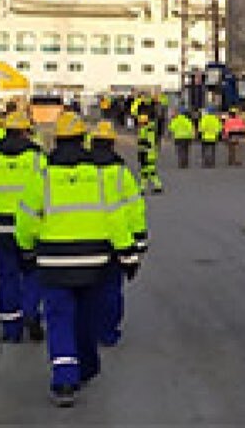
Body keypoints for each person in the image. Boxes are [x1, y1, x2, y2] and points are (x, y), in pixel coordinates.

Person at [15, 112, 138, 408]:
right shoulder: (98, 178)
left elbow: (26, 220)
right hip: (95, 263)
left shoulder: (42, 178)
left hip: (54, 265)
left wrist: (27, 249)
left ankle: (64, 379)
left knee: (58, 320)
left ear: (56, 141)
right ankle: (85, 366)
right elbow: (116, 219)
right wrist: (128, 255)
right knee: (85, 319)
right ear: (84, 140)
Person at [0, 111, 47, 343]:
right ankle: (31, 311)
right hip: (30, 227)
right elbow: (48, 193)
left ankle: (11, 330)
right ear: (26, 131)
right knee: (33, 273)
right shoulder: (37, 159)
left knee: (7, 276)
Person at [89, 121, 147, 347]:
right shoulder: (121, 173)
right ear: (112, 144)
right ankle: (108, 332)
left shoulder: (83, 171)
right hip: (117, 240)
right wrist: (139, 241)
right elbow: (135, 208)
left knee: (90, 290)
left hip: (88, 238)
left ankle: (91, 328)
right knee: (111, 288)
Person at [137, 114, 163, 193]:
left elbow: (149, 142)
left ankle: (148, 187)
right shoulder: (146, 129)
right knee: (146, 171)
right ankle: (147, 187)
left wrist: (142, 143)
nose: (139, 124)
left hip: (148, 153)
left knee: (148, 171)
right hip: (146, 152)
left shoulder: (148, 130)